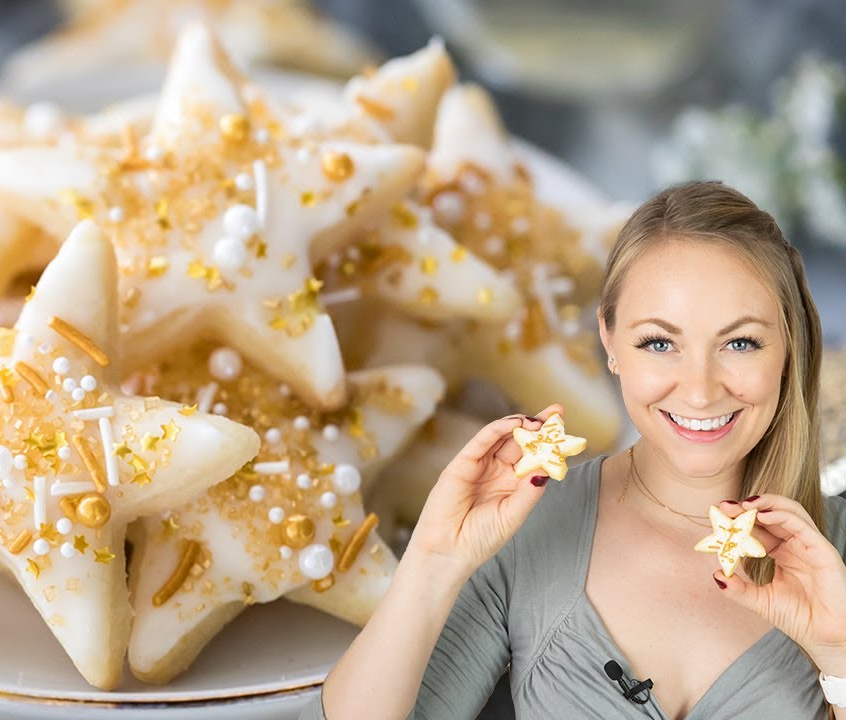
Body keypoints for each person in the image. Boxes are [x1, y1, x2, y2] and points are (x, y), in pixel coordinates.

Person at [305, 181, 846, 719]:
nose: (700, 389)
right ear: (609, 342)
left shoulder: (835, 554)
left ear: (790, 346)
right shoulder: (527, 526)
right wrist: (432, 563)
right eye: (659, 343)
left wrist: (840, 656)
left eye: (740, 343)